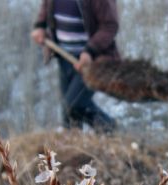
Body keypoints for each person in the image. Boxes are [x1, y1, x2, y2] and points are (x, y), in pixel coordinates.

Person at [31, 0, 119, 132]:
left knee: (72, 105)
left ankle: (108, 128)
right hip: (64, 57)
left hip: (92, 62)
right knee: (69, 118)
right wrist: (40, 25)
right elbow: (47, 5)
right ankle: (74, 147)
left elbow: (110, 26)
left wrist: (90, 51)